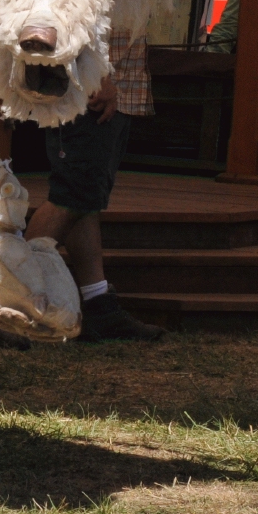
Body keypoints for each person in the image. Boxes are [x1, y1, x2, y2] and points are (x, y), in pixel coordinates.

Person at [23, 31, 167, 344]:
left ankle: (98, 304)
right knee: (71, 197)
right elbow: (74, 4)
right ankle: (8, 302)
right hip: (90, 88)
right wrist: (97, 75)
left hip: (110, 83)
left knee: (84, 199)